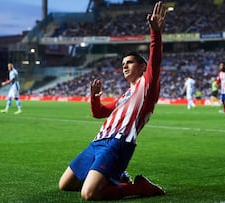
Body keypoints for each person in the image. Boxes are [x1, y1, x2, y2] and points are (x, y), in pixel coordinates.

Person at [58, 1, 167, 201]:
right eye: (123, 64)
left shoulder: (147, 86)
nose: (125, 66)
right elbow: (98, 113)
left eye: (130, 62)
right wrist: (94, 97)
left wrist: (155, 33)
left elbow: (156, 60)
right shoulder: (125, 95)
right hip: (97, 142)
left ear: (143, 67)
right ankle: (117, 178)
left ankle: (139, 188)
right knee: (65, 184)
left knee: (89, 194)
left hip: (118, 143)